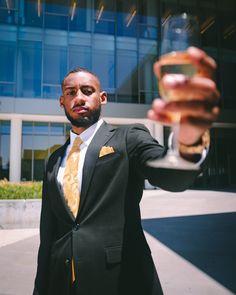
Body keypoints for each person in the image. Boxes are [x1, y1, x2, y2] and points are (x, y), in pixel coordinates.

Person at [33, 47, 220, 295]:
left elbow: (173, 178)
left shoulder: (128, 137)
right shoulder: (53, 160)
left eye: (87, 91)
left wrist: (189, 139)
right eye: (71, 92)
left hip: (122, 280)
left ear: (102, 98)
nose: (79, 97)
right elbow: (48, 234)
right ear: (62, 102)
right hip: (62, 283)